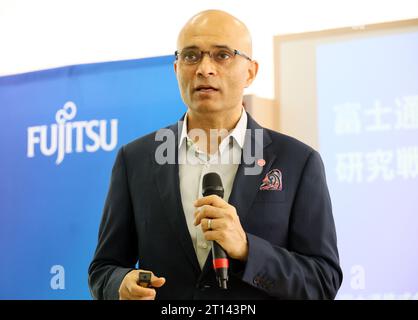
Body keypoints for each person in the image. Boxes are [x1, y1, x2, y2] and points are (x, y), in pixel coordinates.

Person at [88, 9, 342, 300]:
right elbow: (103, 269)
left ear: (250, 72)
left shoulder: (297, 161)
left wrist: (247, 249)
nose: (204, 69)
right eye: (191, 56)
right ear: (175, 68)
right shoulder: (136, 159)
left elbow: (323, 281)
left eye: (222, 55)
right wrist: (119, 284)